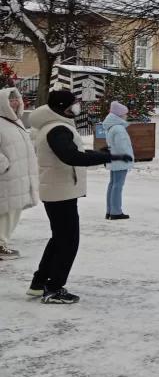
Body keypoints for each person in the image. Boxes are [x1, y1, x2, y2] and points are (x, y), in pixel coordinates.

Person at [28, 90, 132, 303]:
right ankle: (54, 289)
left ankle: (39, 284)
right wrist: (104, 157)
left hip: (60, 189)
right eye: (75, 103)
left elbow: (76, 152)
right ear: (63, 106)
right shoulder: (57, 129)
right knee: (68, 242)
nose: (78, 107)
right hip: (60, 192)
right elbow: (71, 156)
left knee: (59, 239)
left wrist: (104, 155)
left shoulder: (56, 126)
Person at [0, 88, 39, 260]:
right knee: (6, 213)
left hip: (17, 178)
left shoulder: (15, 122)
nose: (15, 103)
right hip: (6, 177)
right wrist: (4, 165)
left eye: (17, 99)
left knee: (12, 212)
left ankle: (2, 242)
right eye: (10, 100)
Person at [102, 101, 134, 220]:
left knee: (113, 184)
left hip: (113, 158)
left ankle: (110, 210)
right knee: (118, 185)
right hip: (120, 160)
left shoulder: (111, 127)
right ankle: (116, 211)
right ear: (119, 115)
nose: (126, 116)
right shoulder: (119, 128)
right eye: (125, 114)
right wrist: (128, 157)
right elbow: (123, 146)